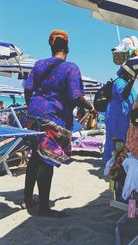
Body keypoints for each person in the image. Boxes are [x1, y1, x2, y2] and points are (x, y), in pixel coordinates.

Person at [21, 29, 97, 217]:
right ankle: (44, 208)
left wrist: (33, 106)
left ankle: (27, 200)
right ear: (67, 48)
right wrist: (91, 108)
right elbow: (76, 95)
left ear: (51, 45)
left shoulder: (38, 65)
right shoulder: (70, 68)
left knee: (35, 157)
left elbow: (28, 90)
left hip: (34, 115)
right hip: (53, 117)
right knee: (46, 160)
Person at [102, 61, 137, 162]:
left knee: (121, 138)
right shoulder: (120, 82)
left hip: (123, 116)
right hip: (117, 115)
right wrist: (133, 80)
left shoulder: (127, 84)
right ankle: (112, 161)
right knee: (116, 138)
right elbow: (123, 95)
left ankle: (118, 160)